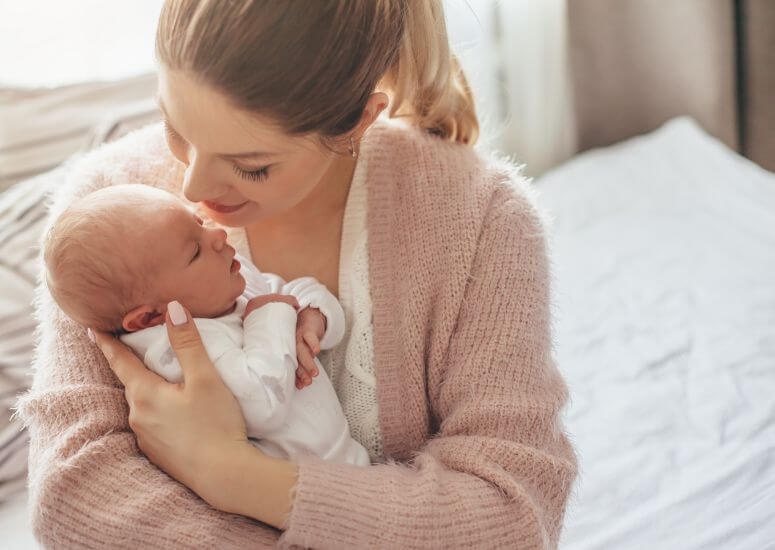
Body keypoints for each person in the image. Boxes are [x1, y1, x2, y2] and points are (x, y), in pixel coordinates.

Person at [17, 0, 577, 547]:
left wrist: (231, 475)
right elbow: (72, 497)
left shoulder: (482, 220)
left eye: (251, 166)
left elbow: (512, 516)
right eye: (175, 128)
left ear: (358, 122)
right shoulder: (106, 211)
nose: (193, 190)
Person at [42, 184, 369, 466]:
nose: (217, 235)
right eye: (195, 252)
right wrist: (270, 315)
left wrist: (313, 317)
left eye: (199, 222)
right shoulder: (175, 351)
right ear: (149, 318)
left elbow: (301, 291)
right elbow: (262, 407)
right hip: (296, 490)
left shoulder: (229, 288)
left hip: (348, 461)